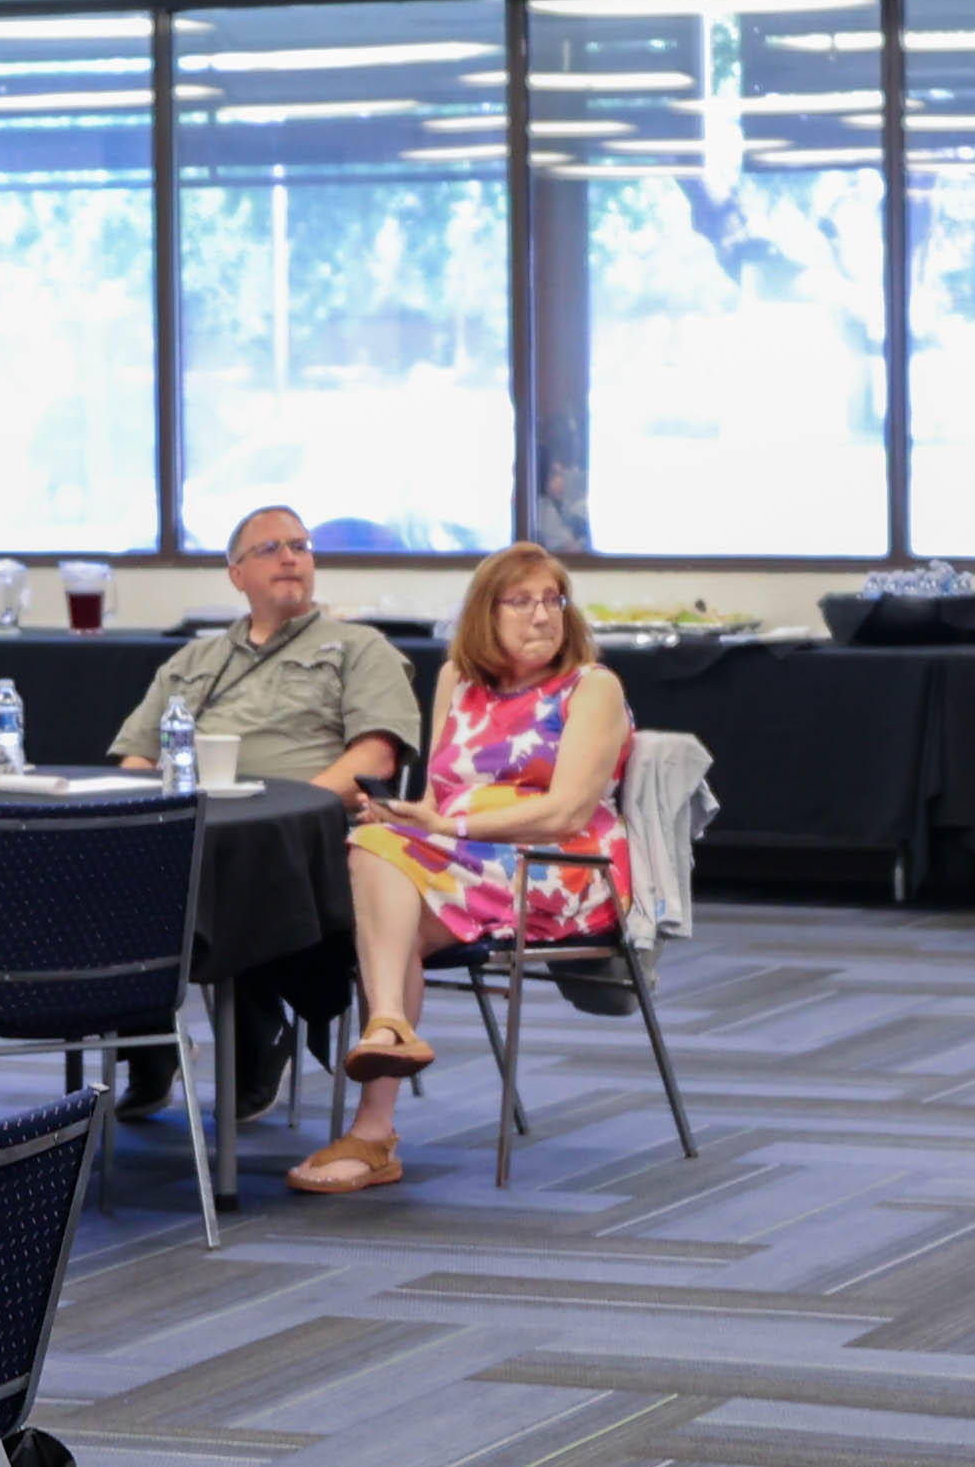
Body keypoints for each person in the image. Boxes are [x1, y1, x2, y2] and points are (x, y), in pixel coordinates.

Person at [290, 543, 631, 1200]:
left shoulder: (593, 687)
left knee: (379, 888)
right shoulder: (458, 681)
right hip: (459, 856)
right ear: (486, 615)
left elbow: (565, 812)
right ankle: (384, 1056)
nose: (543, 616)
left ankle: (377, 1105)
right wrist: (415, 815)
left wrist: (449, 828)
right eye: (523, 601)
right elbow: (446, 797)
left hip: (557, 866)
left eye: (553, 600)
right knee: (373, 847)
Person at [107, 506, 423, 1113]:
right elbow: (137, 759)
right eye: (271, 548)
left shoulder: (357, 647)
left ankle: (256, 1032)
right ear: (236, 574)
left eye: (300, 546)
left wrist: (289, 809)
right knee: (118, 858)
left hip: (300, 833)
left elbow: (374, 759)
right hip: (195, 824)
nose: (289, 557)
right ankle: (144, 1033)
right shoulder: (192, 662)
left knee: (237, 861)